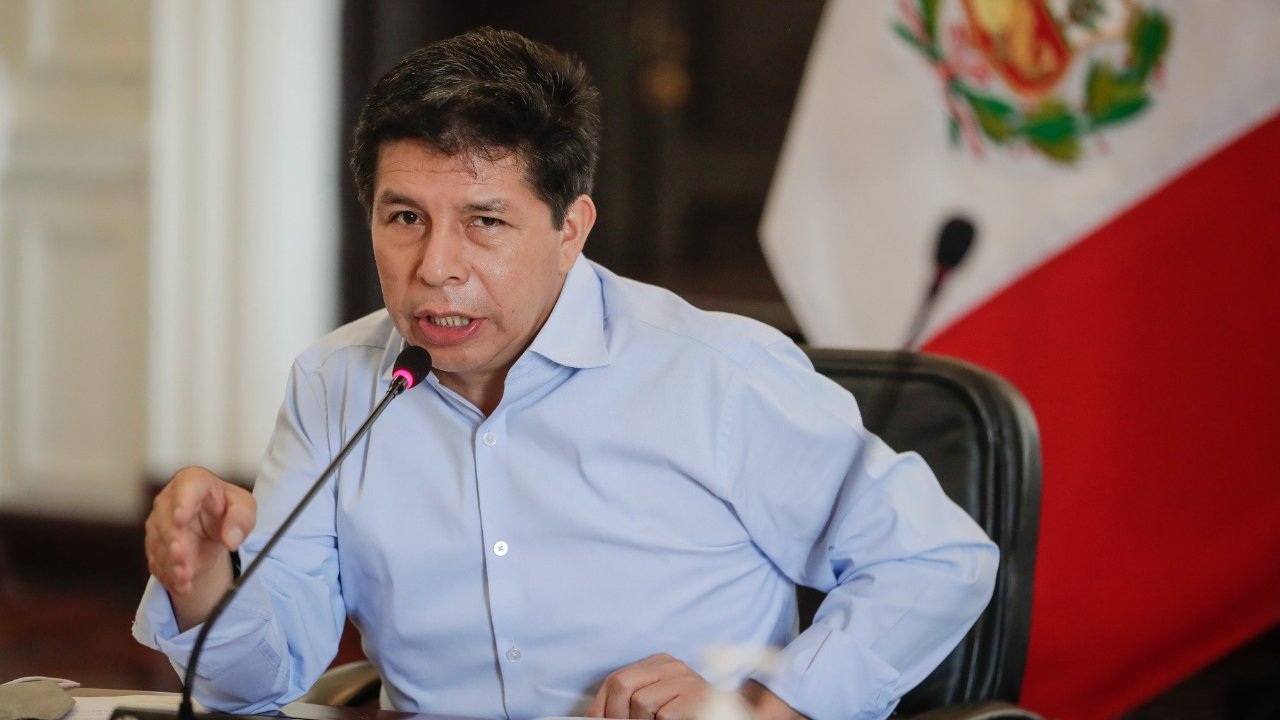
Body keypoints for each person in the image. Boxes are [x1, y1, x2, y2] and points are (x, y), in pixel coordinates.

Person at [133, 27, 998, 720]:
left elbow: (935, 560)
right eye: (404, 218)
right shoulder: (337, 385)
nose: (436, 266)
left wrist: (770, 707)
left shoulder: (717, 376)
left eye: (485, 222)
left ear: (571, 229)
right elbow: (256, 685)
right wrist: (205, 586)